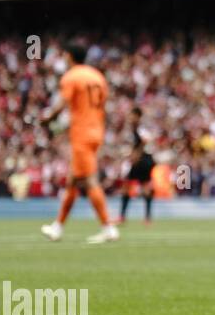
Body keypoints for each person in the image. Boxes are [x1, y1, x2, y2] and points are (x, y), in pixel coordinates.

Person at [39, 43, 116, 244]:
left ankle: (108, 227)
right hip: (96, 131)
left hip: (82, 133)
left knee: (90, 180)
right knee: (72, 181)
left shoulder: (72, 77)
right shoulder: (97, 76)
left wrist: (47, 118)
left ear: (70, 56)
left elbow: (61, 104)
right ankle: (58, 227)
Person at [118, 106, 156, 224]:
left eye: (131, 115)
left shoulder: (140, 128)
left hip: (143, 159)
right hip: (142, 159)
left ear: (137, 116)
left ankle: (145, 217)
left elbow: (145, 141)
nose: (130, 117)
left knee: (142, 186)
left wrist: (136, 155)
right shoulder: (134, 129)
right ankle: (127, 217)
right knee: (129, 185)